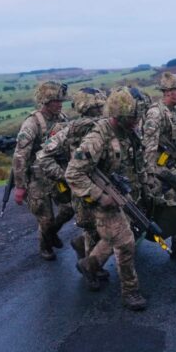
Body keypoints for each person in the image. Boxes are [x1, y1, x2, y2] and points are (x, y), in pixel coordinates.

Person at [65, 87, 153, 311]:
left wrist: (144, 187)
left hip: (120, 194)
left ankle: (89, 264)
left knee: (119, 237)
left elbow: (136, 163)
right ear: (120, 113)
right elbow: (73, 173)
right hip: (99, 199)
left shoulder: (129, 133)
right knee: (125, 243)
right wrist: (100, 196)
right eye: (134, 117)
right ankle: (130, 292)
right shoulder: (98, 136)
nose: (138, 121)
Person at [35, 87, 107, 268]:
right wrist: (66, 177)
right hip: (82, 188)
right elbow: (43, 155)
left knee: (106, 226)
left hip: (105, 183)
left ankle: (86, 255)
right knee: (91, 227)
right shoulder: (70, 129)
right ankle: (91, 268)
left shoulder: (105, 126)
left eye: (101, 107)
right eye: (96, 108)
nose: (100, 111)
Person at [12, 81, 73, 261]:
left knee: (69, 209)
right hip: (37, 179)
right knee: (45, 219)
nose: (60, 103)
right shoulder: (32, 123)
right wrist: (20, 186)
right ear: (45, 101)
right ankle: (45, 245)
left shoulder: (63, 119)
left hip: (56, 174)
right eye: (56, 100)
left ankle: (51, 233)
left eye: (61, 100)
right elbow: (20, 156)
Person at [141, 72, 176, 259]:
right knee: (143, 208)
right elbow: (149, 146)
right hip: (156, 171)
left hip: (169, 170)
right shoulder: (155, 113)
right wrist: (149, 175)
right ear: (166, 91)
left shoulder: (174, 114)